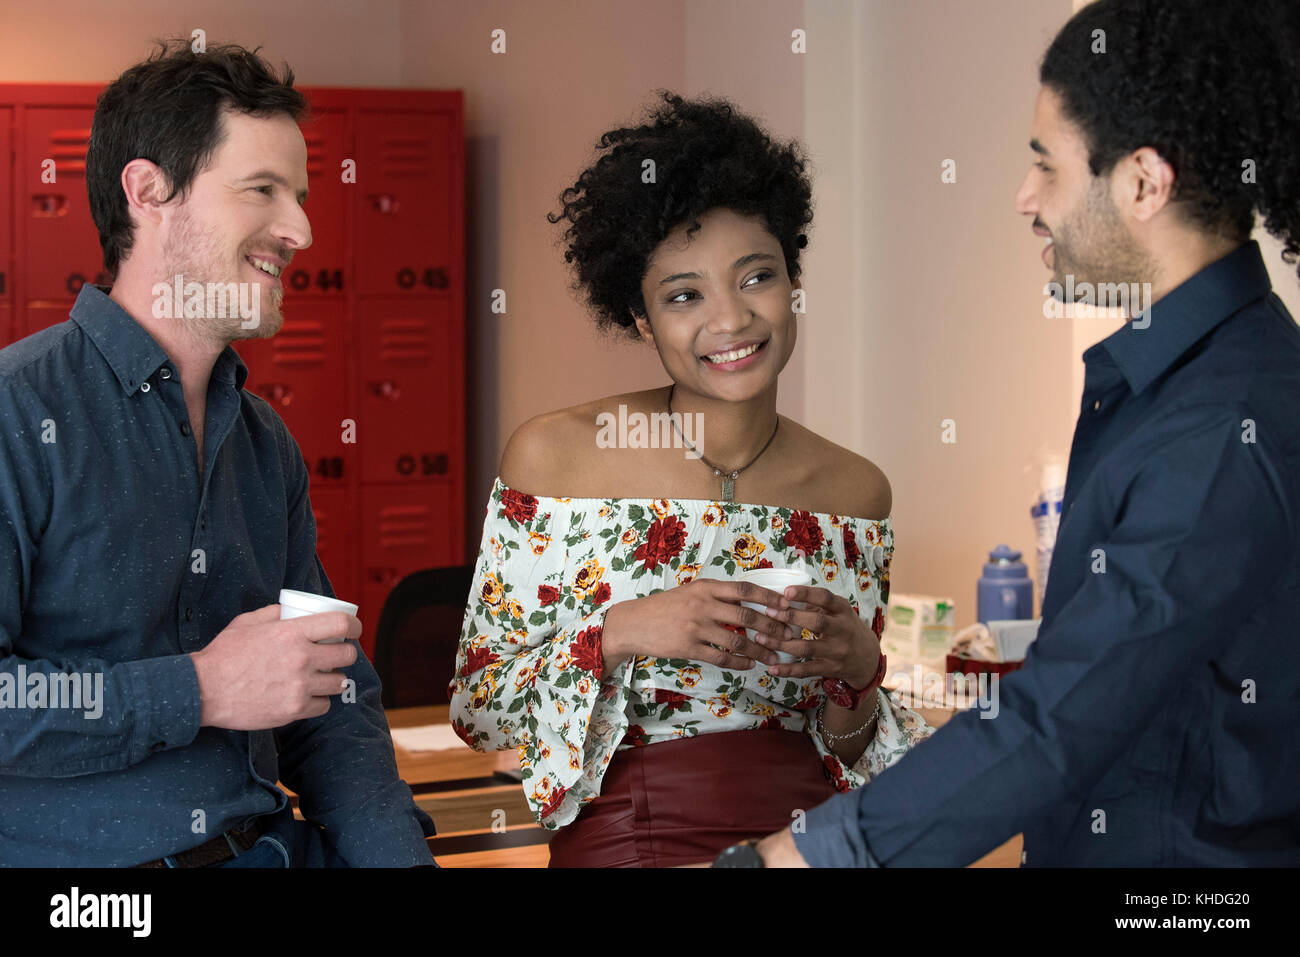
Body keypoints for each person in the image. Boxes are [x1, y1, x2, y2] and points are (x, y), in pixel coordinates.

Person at [736, 0, 1300, 868]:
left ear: (1144, 183)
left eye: (1047, 165)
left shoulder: (1226, 426)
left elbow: (1062, 717)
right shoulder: (1156, 385)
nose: (1024, 198)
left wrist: (812, 856)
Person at [449, 92, 932, 867]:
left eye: (757, 277)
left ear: (791, 283)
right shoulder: (556, 460)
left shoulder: (855, 493)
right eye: (683, 295)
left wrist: (857, 672)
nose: (732, 319)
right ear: (641, 321)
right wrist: (623, 631)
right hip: (629, 838)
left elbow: (852, 750)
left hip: (810, 846)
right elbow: (481, 712)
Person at [0, 41, 435, 866]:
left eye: (300, 197)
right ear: (147, 191)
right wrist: (198, 689)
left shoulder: (267, 444)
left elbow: (333, 700)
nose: (301, 229)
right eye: (262, 191)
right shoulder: (15, 413)